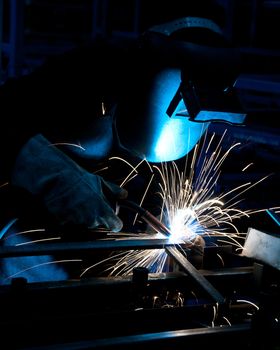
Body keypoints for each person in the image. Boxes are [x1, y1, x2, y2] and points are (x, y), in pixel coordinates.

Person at [0, 14, 244, 282]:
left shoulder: (193, 118)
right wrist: (49, 173)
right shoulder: (87, 71)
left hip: (98, 263)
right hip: (24, 244)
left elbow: (171, 189)